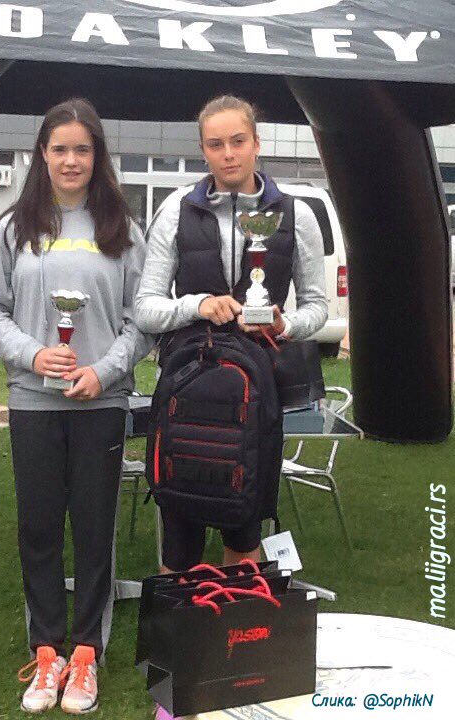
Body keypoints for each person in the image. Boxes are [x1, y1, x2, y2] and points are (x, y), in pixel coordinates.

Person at [0, 98, 152, 715]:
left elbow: (141, 322)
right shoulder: (13, 227)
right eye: (60, 149)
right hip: (34, 403)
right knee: (39, 529)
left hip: (101, 405)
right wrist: (30, 355)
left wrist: (103, 372)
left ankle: (85, 657)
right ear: (41, 155)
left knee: (95, 530)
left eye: (82, 149)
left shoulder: (124, 230)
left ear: (97, 156)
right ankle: (46, 655)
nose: (71, 160)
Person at [135, 95, 328, 574]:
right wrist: (196, 305)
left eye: (238, 141)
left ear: (256, 143)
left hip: (256, 390)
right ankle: (179, 641)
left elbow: (318, 307)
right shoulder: (176, 209)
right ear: (204, 150)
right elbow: (145, 308)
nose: (229, 154)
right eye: (216, 144)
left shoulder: (295, 214)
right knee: (180, 538)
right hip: (188, 386)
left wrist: (286, 325)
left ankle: (235, 639)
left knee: (243, 533)